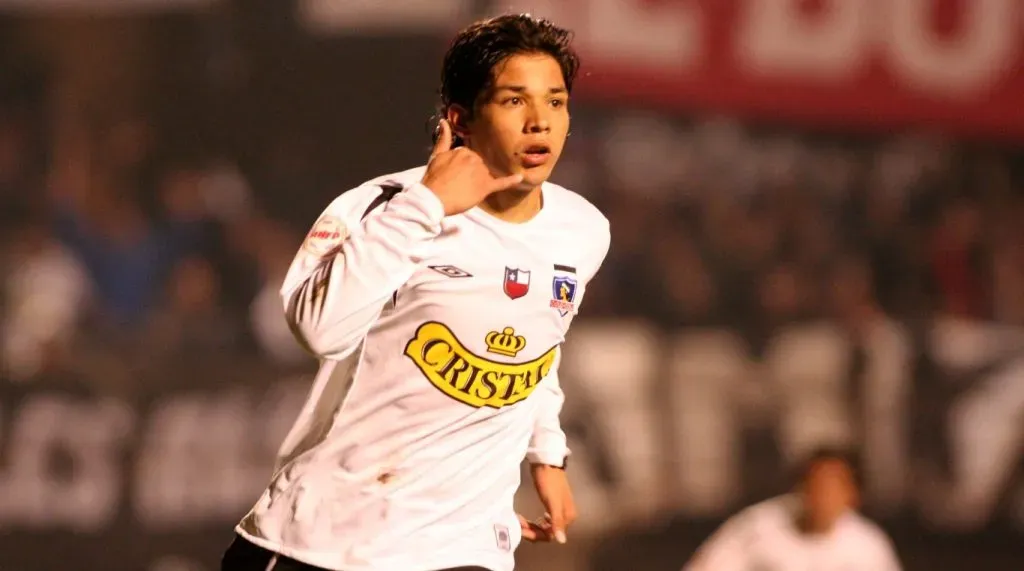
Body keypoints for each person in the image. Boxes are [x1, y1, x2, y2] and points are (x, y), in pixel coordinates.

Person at [221, 13, 610, 571]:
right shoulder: (385, 204)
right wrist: (426, 206)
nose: (539, 124)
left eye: (554, 102)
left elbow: (538, 345)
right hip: (325, 544)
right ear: (461, 118)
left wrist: (546, 454)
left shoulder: (583, 229)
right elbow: (316, 331)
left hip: (463, 548)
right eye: (513, 101)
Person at [683, 447, 902, 571]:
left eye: (834, 488)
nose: (824, 496)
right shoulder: (758, 526)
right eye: (817, 485)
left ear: (853, 496)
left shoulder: (869, 546)